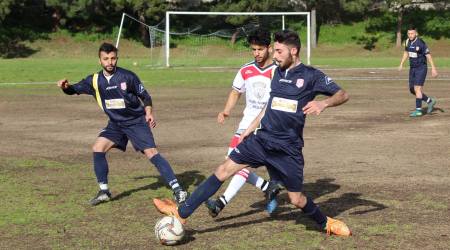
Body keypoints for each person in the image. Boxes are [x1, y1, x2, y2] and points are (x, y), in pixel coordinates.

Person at [153, 30, 351, 236]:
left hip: (287, 148)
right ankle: (182, 212)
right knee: (223, 169)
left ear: (294, 51)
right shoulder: (277, 72)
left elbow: (343, 94)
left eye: (280, 51)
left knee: (296, 199)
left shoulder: (311, 76)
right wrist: (249, 129)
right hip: (262, 139)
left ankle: (325, 222)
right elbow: (269, 105)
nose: (275, 56)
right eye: (274, 51)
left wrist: (323, 103)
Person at [57, 42, 188, 206]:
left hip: (135, 121)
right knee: (98, 147)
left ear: (116, 58)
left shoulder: (128, 76)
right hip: (116, 123)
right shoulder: (95, 80)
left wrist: (148, 113)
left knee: (151, 152)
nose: (109, 62)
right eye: (106, 59)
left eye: (112, 58)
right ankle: (104, 191)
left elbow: (145, 97)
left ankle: (179, 190)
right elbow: (73, 89)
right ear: (100, 60)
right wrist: (65, 87)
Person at [206, 29, 282, 218]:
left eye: (260, 49)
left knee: (238, 164)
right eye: (253, 49)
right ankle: (267, 187)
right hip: (246, 125)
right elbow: (235, 92)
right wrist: (226, 110)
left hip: (268, 126)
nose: (256, 53)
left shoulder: (277, 71)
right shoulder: (246, 70)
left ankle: (221, 203)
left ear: (270, 49)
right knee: (233, 162)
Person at [399, 26, 438, 117]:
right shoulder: (407, 42)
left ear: (416, 33)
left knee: (417, 89)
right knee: (412, 89)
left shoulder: (420, 43)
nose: (410, 35)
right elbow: (406, 52)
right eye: (409, 33)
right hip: (412, 68)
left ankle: (418, 110)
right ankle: (429, 101)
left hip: (421, 68)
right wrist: (401, 63)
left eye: (412, 33)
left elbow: (428, 55)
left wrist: (433, 68)